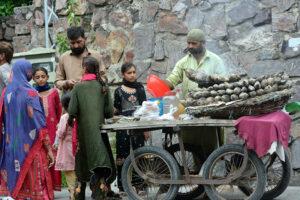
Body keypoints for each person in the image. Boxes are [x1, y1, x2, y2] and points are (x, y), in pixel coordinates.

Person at [164, 29, 228, 159]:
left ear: (203, 43)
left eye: (193, 43)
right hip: (190, 114)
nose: (190, 47)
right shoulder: (183, 63)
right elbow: (172, 80)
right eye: (188, 43)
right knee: (193, 148)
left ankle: (212, 175)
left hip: (210, 113)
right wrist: (160, 86)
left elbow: (225, 84)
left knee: (212, 150)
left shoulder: (216, 61)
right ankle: (197, 175)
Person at [0, 59, 55, 199]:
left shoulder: (5, 93)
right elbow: (40, 124)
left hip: (11, 149)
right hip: (31, 148)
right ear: (27, 72)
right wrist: (49, 149)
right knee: (36, 186)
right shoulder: (31, 93)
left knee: (18, 189)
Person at [68, 56, 115, 200]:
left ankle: (78, 196)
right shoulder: (103, 86)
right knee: (99, 164)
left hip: (83, 135)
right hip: (99, 133)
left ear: (84, 69)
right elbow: (109, 112)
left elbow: (72, 111)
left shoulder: (78, 87)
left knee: (81, 167)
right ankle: (99, 195)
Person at [113, 62, 147, 195]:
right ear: (123, 75)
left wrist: (146, 129)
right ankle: (122, 186)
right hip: (123, 129)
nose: (132, 75)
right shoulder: (118, 91)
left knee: (139, 155)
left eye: (134, 72)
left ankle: (139, 186)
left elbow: (145, 109)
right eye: (129, 73)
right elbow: (116, 110)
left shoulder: (140, 89)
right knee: (123, 156)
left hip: (138, 128)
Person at [33, 67, 62, 191]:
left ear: (48, 77)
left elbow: (59, 110)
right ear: (33, 79)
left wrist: (60, 125)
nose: (40, 79)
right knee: (42, 158)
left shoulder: (54, 92)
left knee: (54, 158)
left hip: (53, 129)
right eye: (37, 77)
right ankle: (45, 189)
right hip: (39, 131)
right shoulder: (32, 93)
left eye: (43, 76)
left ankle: (54, 187)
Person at [55, 26, 107, 91]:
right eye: (72, 43)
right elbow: (58, 81)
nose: (76, 46)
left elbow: (104, 77)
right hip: (73, 98)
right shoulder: (64, 58)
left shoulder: (96, 55)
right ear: (68, 41)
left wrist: (92, 84)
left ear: (85, 39)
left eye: (79, 42)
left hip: (93, 96)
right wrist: (66, 83)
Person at [55, 92, 76, 200]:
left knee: (69, 173)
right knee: (77, 172)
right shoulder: (79, 116)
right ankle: (79, 193)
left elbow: (61, 133)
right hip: (77, 147)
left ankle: (73, 195)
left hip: (67, 149)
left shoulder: (64, 117)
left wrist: (58, 128)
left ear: (63, 105)